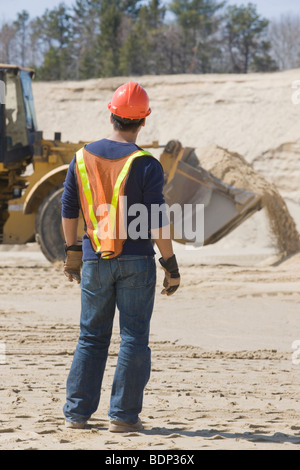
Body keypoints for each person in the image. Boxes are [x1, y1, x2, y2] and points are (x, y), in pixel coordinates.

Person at [61, 82, 180, 432]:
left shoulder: (82, 157)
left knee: (91, 337)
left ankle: (76, 415)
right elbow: (157, 220)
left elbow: (69, 208)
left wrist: (71, 252)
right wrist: (171, 266)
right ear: (143, 122)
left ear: (111, 113)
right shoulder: (146, 164)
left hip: (94, 258)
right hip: (136, 261)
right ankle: (123, 418)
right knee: (133, 337)